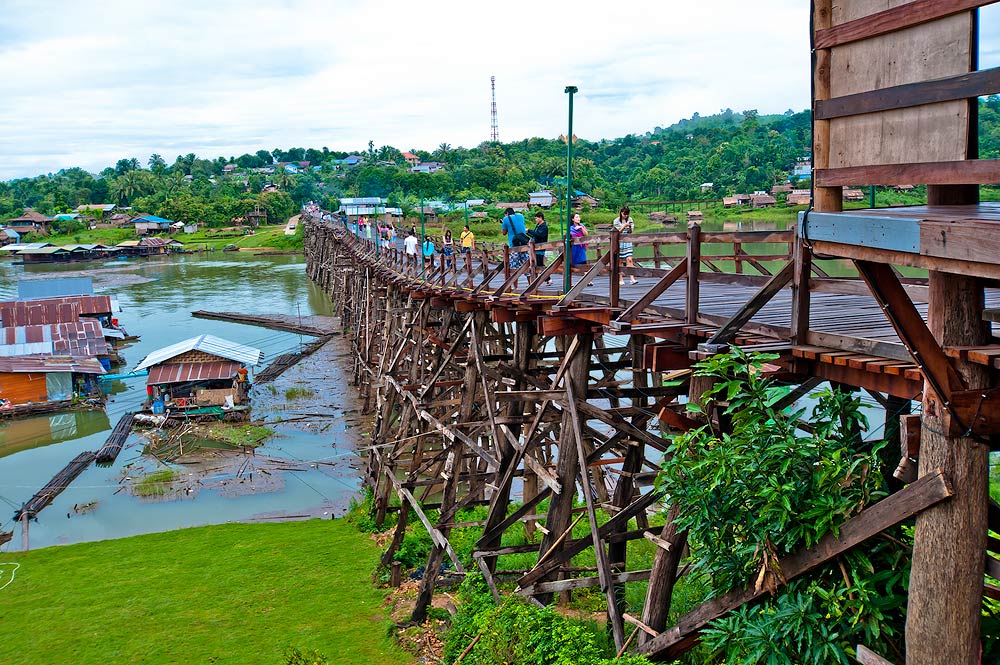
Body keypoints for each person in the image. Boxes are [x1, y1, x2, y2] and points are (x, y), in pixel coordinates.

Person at [501, 207, 529, 280]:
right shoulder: (521, 216)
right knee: (526, 265)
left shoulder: (505, 219)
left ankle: (515, 287)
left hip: (514, 245)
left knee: (514, 268)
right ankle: (530, 284)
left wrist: (504, 222)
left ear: (506, 213)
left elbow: (504, 233)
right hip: (524, 243)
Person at [613, 206, 638, 285]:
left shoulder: (630, 220)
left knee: (629, 259)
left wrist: (630, 227)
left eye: (627, 214)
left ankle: (632, 278)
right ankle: (620, 279)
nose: (625, 216)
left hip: (627, 241)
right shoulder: (616, 221)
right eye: (624, 214)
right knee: (619, 261)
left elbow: (630, 232)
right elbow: (617, 232)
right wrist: (624, 226)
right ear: (621, 213)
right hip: (619, 242)